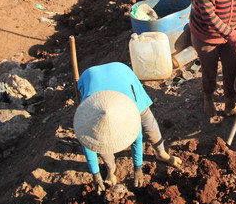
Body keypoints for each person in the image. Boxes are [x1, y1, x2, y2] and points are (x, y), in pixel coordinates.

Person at [73, 62, 180, 193]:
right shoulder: (88, 118)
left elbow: (137, 140)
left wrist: (138, 169)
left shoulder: (131, 112)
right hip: (90, 77)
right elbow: (90, 146)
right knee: (100, 142)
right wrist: (95, 174)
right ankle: (111, 169)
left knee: (147, 120)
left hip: (123, 75)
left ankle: (161, 153)